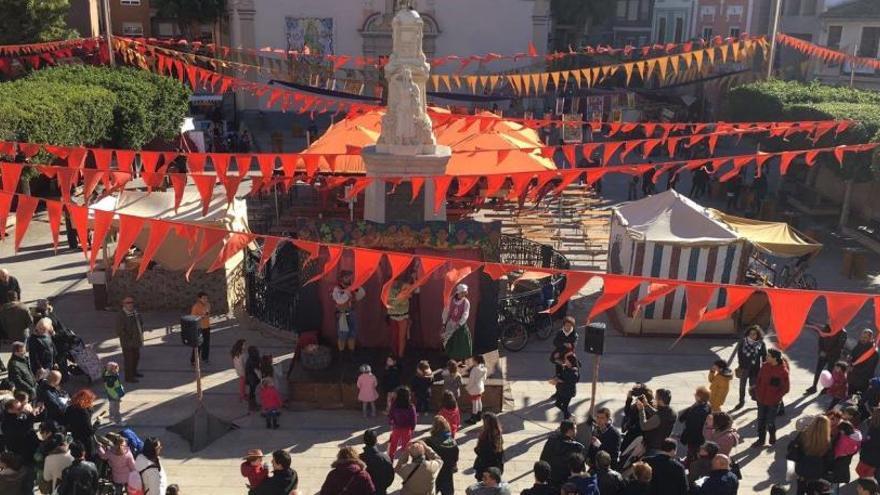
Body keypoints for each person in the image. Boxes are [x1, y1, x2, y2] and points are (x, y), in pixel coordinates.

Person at [752, 349, 790, 448]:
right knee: (761, 421)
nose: (766, 357)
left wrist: (776, 398)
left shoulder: (782, 371)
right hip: (761, 399)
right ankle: (761, 440)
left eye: (768, 356)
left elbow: (785, 388)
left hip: (773, 402)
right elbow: (759, 379)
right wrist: (757, 392)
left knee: (770, 422)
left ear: (775, 358)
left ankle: (772, 434)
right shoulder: (764, 366)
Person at [788, 415, 834, 495]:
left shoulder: (803, 435)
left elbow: (792, 448)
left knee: (800, 489)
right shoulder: (827, 441)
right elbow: (829, 459)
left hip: (802, 468)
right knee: (812, 490)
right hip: (817, 471)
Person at [540, 420, 586, 488]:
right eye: (575, 428)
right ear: (570, 431)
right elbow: (580, 468)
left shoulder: (551, 441)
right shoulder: (577, 447)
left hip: (551, 481)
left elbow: (542, 460)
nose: (576, 430)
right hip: (567, 484)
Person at [806, 325, 848, 395]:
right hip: (823, 354)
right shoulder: (826, 328)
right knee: (818, 370)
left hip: (833, 356)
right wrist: (821, 351)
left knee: (829, 371)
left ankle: (826, 388)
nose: (829, 320)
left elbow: (839, 346)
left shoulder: (842, 332)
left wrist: (827, 353)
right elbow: (820, 340)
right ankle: (814, 386)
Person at [425, 415, 459, 495]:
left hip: (434, 472)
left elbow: (426, 458)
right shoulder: (453, 442)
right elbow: (455, 458)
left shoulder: (429, 442)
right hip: (447, 473)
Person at [332, 270, 365, 353]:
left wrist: (356, 287)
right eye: (346, 277)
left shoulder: (352, 287)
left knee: (352, 333)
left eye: (349, 277)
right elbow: (339, 301)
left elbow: (362, 294)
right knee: (342, 334)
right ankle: (341, 354)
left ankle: (351, 353)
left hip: (351, 312)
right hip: (342, 313)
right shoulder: (337, 288)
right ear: (342, 278)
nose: (348, 279)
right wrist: (348, 292)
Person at [734, 325, 766, 409]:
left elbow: (764, 356)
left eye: (754, 334)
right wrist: (741, 365)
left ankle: (757, 400)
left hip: (755, 369)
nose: (752, 335)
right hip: (744, 368)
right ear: (747, 334)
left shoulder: (761, 344)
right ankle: (741, 401)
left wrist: (764, 367)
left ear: (758, 335)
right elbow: (739, 354)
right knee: (742, 386)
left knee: (754, 386)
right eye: (750, 334)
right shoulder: (743, 342)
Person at [636, 388, 676, 453]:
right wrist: (646, 405)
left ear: (660, 401)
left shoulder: (659, 417)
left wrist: (641, 410)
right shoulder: (671, 412)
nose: (654, 399)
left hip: (654, 447)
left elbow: (644, 426)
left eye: (656, 397)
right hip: (662, 445)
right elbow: (657, 414)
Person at [678, 386, 712, 463]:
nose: (694, 395)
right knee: (695, 452)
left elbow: (686, 422)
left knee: (693, 452)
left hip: (694, 437)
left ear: (699, 397)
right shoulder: (707, 405)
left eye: (696, 394)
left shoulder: (696, 411)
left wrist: (684, 437)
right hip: (701, 436)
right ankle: (689, 460)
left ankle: (690, 463)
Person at [116, 297, 145, 383]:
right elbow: (119, 330)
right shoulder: (121, 315)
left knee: (136, 357)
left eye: (131, 302)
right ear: (124, 304)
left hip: (136, 340)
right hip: (127, 343)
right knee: (129, 360)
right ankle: (129, 377)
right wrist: (128, 338)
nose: (130, 304)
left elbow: (140, 322)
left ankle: (134, 372)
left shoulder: (135, 313)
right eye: (128, 302)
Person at [386, 275, 415, 358]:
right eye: (393, 280)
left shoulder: (405, 286)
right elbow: (391, 303)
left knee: (401, 338)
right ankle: (394, 355)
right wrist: (401, 297)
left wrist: (402, 297)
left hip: (403, 316)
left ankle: (400, 356)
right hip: (393, 316)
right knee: (394, 337)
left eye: (397, 280)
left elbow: (409, 295)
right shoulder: (388, 289)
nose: (395, 282)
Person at [442, 284, 473, 361]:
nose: (464, 294)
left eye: (465, 293)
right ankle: (450, 357)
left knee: (462, 342)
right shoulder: (451, 299)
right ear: (459, 292)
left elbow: (466, 314)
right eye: (463, 292)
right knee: (448, 340)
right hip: (451, 322)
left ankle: (463, 359)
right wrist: (444, 322)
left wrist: (460, 324)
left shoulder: (466, 302)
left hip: (460, 324)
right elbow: (446, 310)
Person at [64, 389, 97, 460]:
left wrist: (68, 439)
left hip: (74, 439)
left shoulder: (69, 409)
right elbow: (90, 431)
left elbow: (67, 425)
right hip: (85, 442)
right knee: (89, 459)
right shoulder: (84, 413)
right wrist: (98, 422)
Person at [360, 430, 394, 495]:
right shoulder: (385, 457)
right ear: (376, 440)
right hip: (381, 491)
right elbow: (390, 477)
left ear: (364, 441)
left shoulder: (359, 459)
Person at [387, 386, 417, 459]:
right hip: (407, 428)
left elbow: (390, 414)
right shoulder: (411, 406)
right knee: (406, 445)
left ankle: (391, 458)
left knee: (393, 444)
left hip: (396, 427)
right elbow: (413, 419)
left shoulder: (394, 405)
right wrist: (413, 428)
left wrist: (391, 423)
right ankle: (404, 459)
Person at [474, 412, 504, 481]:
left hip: (484, 468)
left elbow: (480, 452)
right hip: (496, 466)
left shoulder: (485, 437)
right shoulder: (498, 434)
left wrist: (476, 449)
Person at [831, 420, 862, 488]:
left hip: (841, 457)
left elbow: (839, 450)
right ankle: (846, 478)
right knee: (845, 467)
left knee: (839, 469)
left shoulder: (844, 439)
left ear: (843, 430)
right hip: (849, 455)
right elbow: (858, 445)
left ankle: (839, 479)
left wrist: (834, 457)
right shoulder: (857, 433)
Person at [850, 329, 879, 396]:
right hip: (852, 378)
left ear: (870, 338)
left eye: (865, 337)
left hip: (863, 380)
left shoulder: (873, 352)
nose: (863, 339)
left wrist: (854, 369)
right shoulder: (859, 345)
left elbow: (868, 367)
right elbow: (853, 355)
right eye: (862, 337)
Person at [551, 354, 579, 419]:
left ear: (570, 362)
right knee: (557, 404)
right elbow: (561, 375)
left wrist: (560, 381)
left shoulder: (574, 372)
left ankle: (567, 421)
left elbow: (571, 382)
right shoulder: (566, 367)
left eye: (566, 360)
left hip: (568, 392)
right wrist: (556, 378)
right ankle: (569, 416)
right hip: (562, 390)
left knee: (564, 407)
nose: (565, 361)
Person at [189, 292, 212, 365]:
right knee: (198, 345)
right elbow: (193, 318)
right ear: (199, 299)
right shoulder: (195, 307)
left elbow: (208, 314)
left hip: (207, 327)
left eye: (206, 298)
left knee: (206, 344)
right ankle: (194, 360)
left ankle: (205, 358)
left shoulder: (208, 305)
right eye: (204, 298)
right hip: (199, 328)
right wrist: (202, 316)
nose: (205, 300)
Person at [465, 354, 488, 424]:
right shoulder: (484, 368)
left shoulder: (474, 370)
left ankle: (473, 418)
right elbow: (484, 379)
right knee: (479, 400)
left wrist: (467, 388)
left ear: (476, 361)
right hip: (480, 387)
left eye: (473, 360)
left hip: (474, 388)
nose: (472, 362)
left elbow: (471, 381)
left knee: (474, 403)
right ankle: (479, 415)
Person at [858, 408, 880, 478]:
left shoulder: (870, 424)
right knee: (869, 474)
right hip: (875, 459)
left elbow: (863, 438)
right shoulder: (870, 425)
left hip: (867, 455)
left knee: (863, 471)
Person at [244, 346, 262, 410]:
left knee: (252, 391)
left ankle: (254, 404)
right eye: (256, 351)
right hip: (252, 379)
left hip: (254, 378)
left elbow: (260, 361)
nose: (257, 352)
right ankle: (252, 406)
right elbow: (255, 369)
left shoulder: (255, 358)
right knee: (252, 392)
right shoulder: (250, 361)